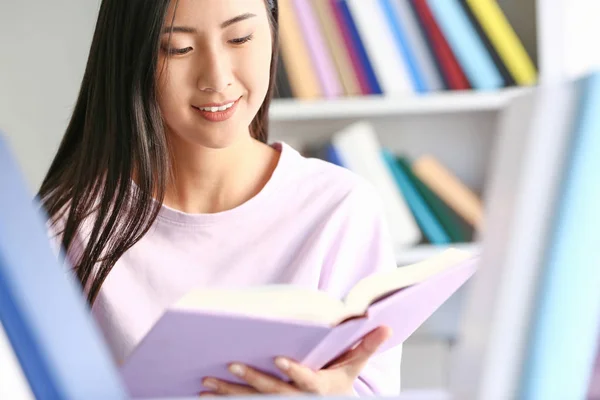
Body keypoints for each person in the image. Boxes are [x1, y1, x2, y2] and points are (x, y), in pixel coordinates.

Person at [40, 0, 402, 396]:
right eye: (178, 48)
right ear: (132, 54)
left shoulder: (340, 208)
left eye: (240, 38)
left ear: (272, 32)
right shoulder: (67, 225)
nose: (216, 77)